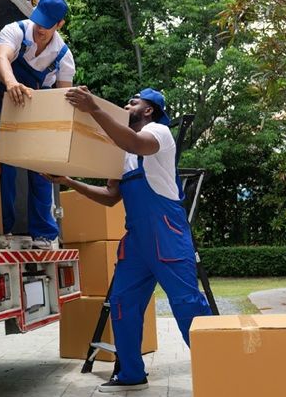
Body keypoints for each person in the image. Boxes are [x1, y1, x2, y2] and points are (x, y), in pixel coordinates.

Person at [45, 87, 211, 393]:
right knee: (123, 304)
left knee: (186, 303)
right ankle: (131, 374)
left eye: (133, 102)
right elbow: (111, 196)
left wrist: (95, 108)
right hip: (136, 240)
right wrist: (69, 182)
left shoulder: (159, 132)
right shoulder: (120, 152)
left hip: (166, 232)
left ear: (148, 110)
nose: (126, 105)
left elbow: (135, 142)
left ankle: (220, 370)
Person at [0, 0, 75, 250]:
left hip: (40, 110)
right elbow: (1, 58)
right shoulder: (15, 31)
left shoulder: (63, 56)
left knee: (41, 169)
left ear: (59, 24)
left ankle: (44, 233)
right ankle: (3, 227)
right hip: (9, 103)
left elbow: (63, 98)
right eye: (39, 21)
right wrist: (11, 83)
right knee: (5, 166)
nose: (40, 28)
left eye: (47, 25)